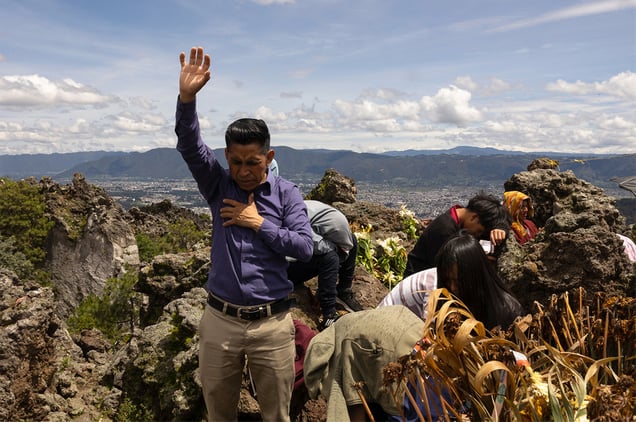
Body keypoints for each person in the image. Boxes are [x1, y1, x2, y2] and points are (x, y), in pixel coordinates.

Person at [175, 46, 314, 422]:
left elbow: (305, 247)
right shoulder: (219, 186)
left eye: (253, 162)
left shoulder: (288, 194)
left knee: (276, 415)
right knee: (219, 411)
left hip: (272, 323)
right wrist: (187, 99)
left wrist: (259, 223)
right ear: (227, 157)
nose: (244, 171)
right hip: (220, 320)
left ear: (269, 158)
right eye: (236, 162)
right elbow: (189, 146)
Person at [380, 231, 523, 329]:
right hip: (390, 323)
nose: (453, 287)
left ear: (475, 275)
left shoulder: (506, 309)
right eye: (448, 281)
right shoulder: (434, 290)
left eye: (459, 281)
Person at [287, 200, 363, 330]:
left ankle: (344, 290)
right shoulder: (296, 218)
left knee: (352, 240)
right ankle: (329, 315)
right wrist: (337, 251)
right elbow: (309, 243)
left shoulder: (321, 216)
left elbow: (346, 244)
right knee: (330, 257)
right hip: (283, 268)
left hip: (296, 255)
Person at [404, 192, 510, 277]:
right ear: (474, 218)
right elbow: (450, 268)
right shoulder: (444, 230)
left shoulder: (457, 216)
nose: (477, 236)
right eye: (479, 232)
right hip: (421, 282)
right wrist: (480, 260)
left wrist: (501, 228)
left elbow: (507, 219)